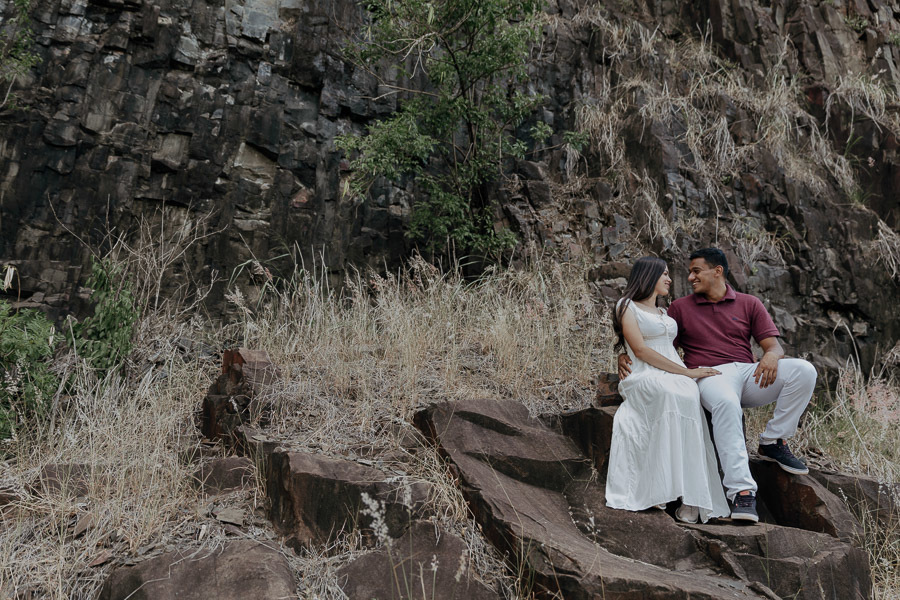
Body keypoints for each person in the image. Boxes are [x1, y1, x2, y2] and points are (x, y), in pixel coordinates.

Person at [618, 248, 816, 523]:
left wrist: (771, 356)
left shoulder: (749, 303)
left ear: (718, 271)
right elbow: (659, 345)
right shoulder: (680, 308)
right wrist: (626, 352)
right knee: (725, 402)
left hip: (748, 373)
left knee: (804, 370)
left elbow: (773, 345)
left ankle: (773, 440)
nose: (689, 277)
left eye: (696, 271)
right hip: (711, 376)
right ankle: (742, 493)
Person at [606, 256, 730, 524]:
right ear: (648, 275)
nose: (669, 279)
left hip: (674, 371)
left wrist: (687, 374)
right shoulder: (626, 305)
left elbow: (671, 345)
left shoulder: (665, 312)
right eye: (663, 274)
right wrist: (686, 372)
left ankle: (692, 499)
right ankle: (658, 489)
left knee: (688, 394)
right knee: (669, 393)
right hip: (644, 373)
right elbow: (639, 349)